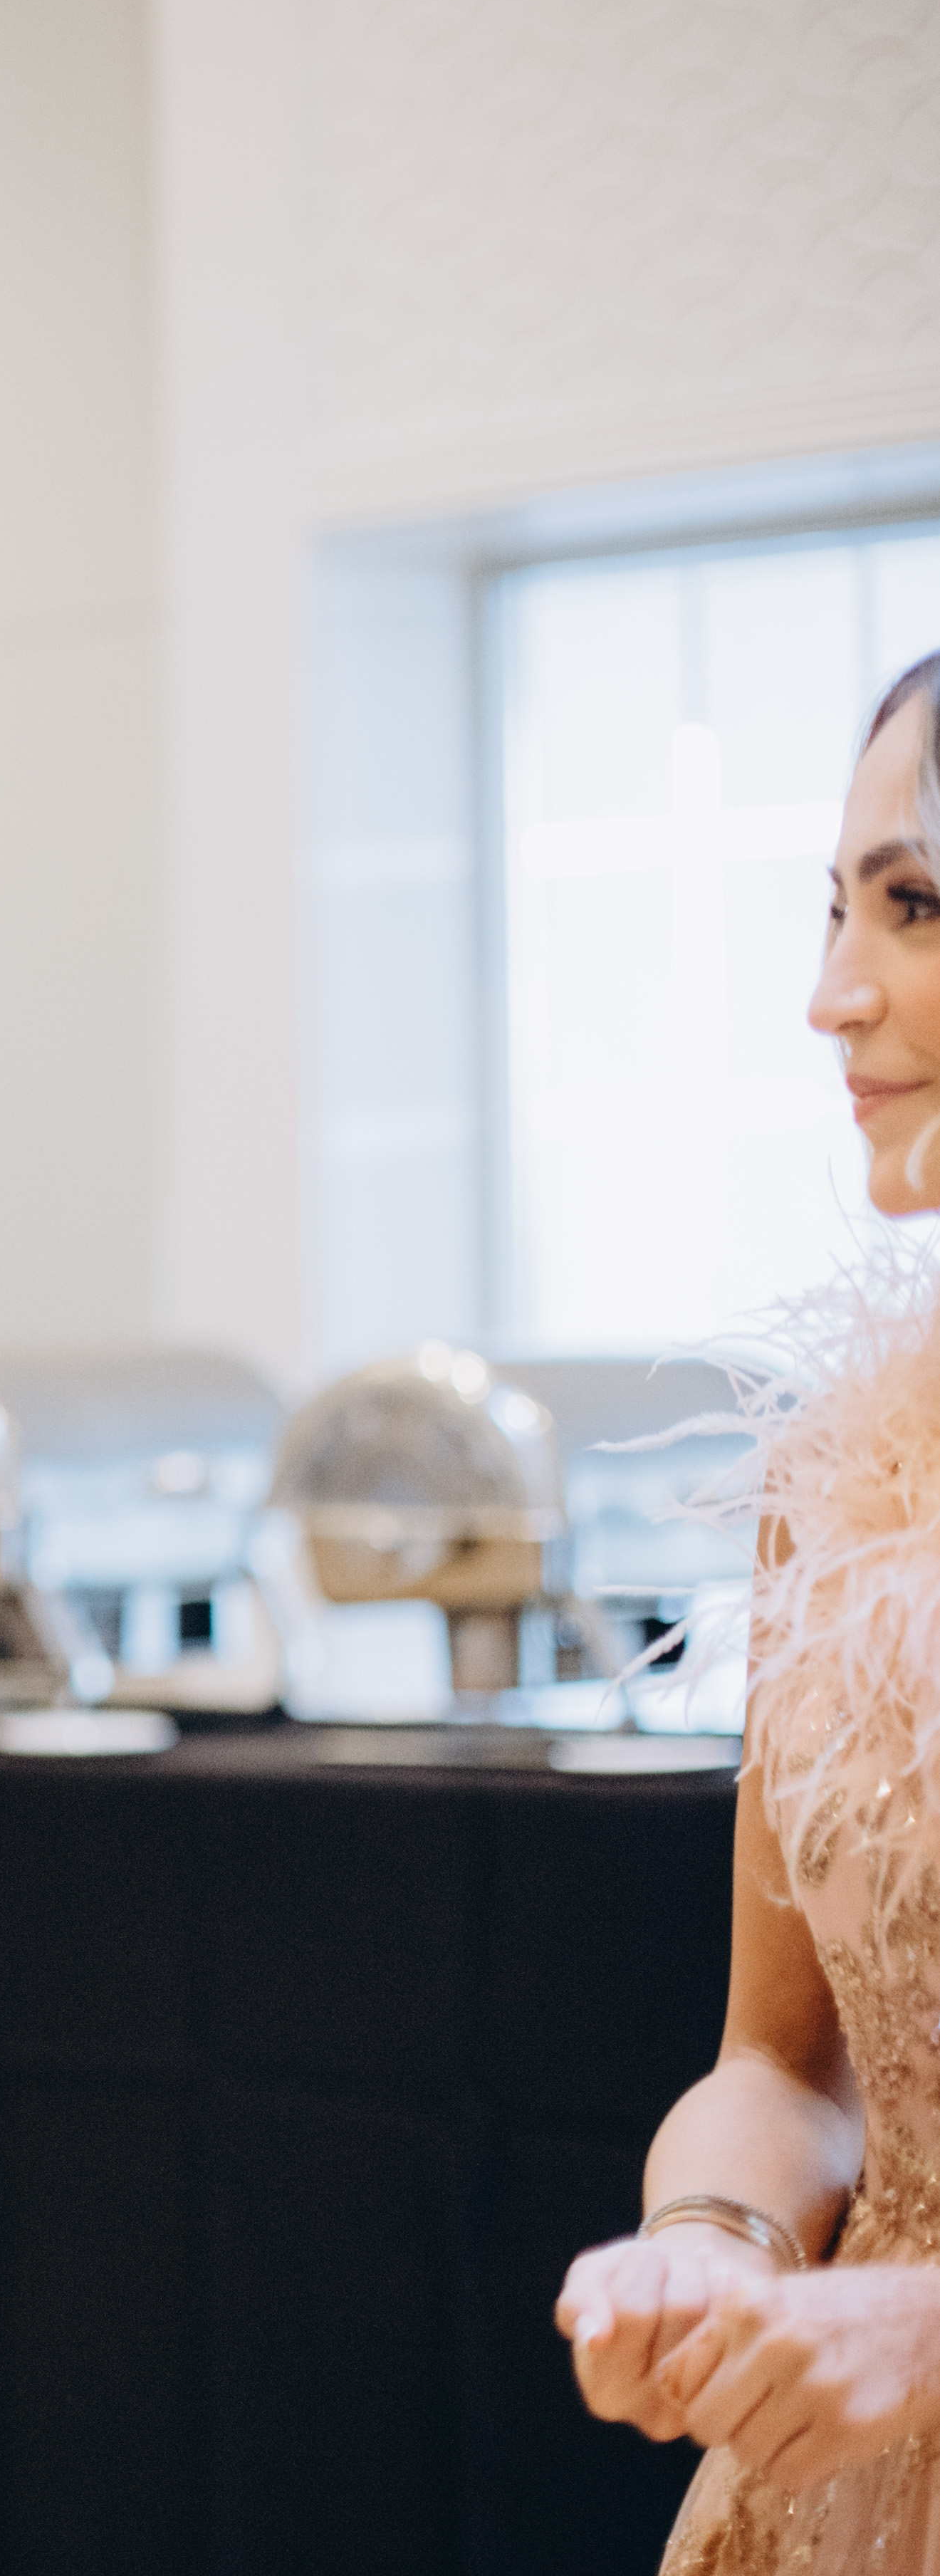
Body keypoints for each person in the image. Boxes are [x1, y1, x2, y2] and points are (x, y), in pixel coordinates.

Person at [558, 649, 940, 2565]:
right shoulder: (840, 1478)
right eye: (833, 911)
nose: (833, 995)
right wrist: (707, 2243)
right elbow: (787, 2065)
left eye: (914, 906)